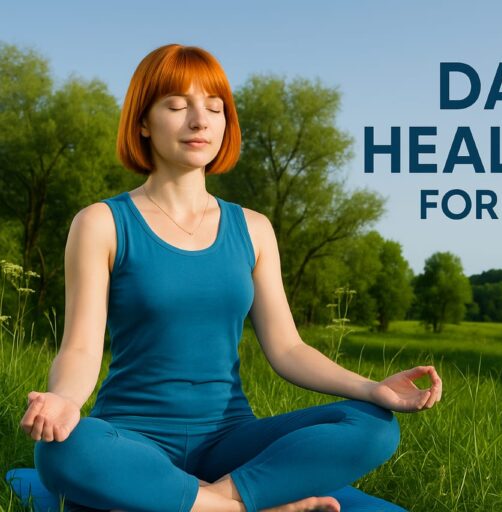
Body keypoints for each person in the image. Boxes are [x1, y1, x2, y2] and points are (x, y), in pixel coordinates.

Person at [19, 44, 442, 512]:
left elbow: (288, 349)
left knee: (373, 425)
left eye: (214, 108)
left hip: (231, 441)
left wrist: (372, 388)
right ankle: (248, 504)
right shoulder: (101, 223)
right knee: (61, 449)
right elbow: (80, 348)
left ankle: (209, 500)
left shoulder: (254, 229)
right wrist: (62, 400)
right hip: (133, 437)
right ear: (142, 122)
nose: (200, 121)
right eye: (177, 106)